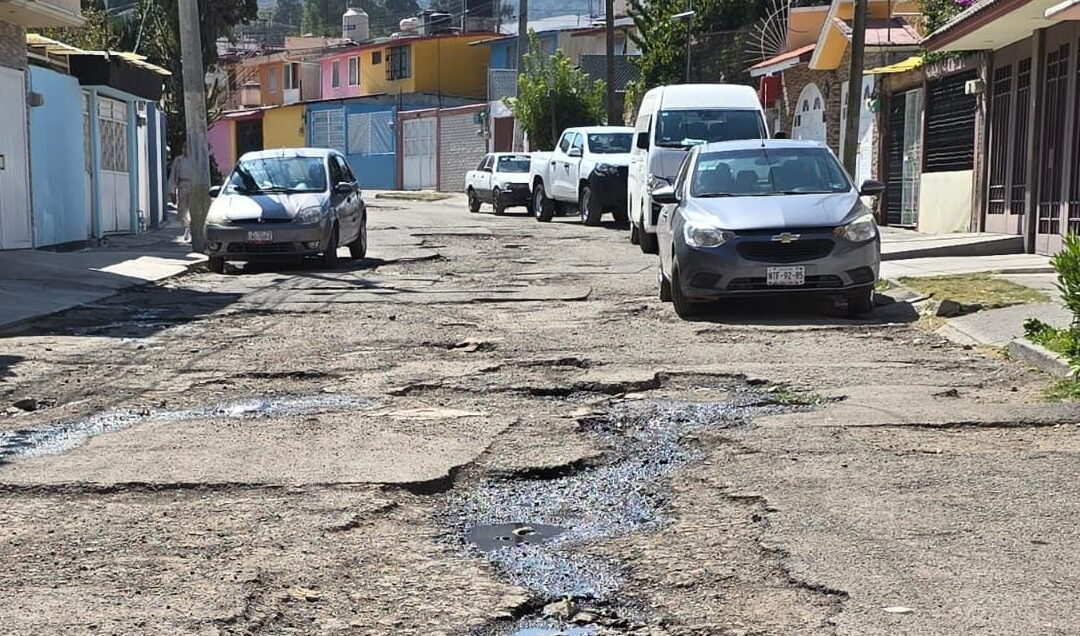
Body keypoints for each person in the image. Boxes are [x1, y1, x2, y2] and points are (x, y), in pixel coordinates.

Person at [168, 144, 194, 243]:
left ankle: (191, 231)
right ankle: (186, 227)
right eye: (184, 147)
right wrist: (172, 191)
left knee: (192, 209)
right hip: (182, 185)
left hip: (193, 185)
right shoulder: (178, 160)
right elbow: (173, 176)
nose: (185, 149)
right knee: (182, 210)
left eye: (187, 147)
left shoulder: (195, 159)